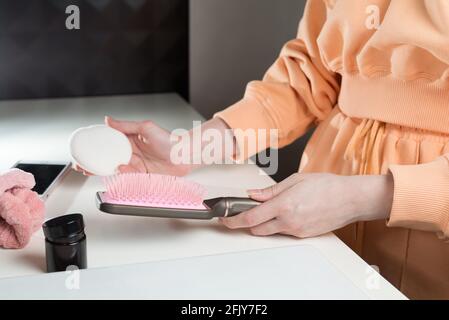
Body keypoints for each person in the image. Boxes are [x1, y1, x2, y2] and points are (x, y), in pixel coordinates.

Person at [77, 0, 449, 299]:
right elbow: (308, 77)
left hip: (428, 219)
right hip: (322, 196)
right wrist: (192, 146)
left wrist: (363, 198)